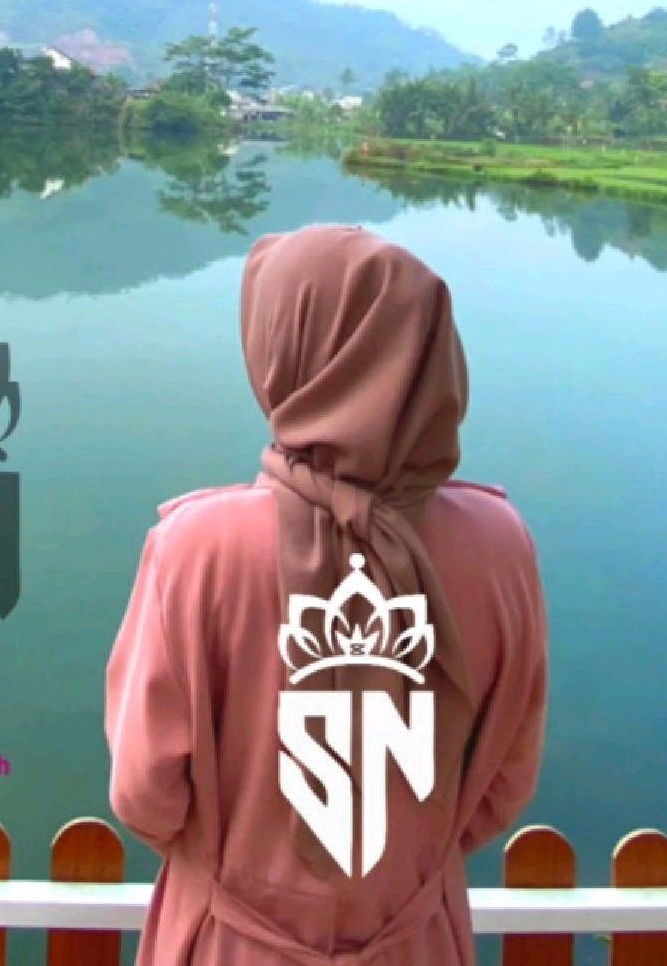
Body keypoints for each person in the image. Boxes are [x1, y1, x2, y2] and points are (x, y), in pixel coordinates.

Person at [105, 223, 548, 965]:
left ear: (285, 355)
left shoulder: (197, 548)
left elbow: (146, 794)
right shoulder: (500, 544)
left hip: (232, 944)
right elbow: (505, 784)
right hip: (418, 942)